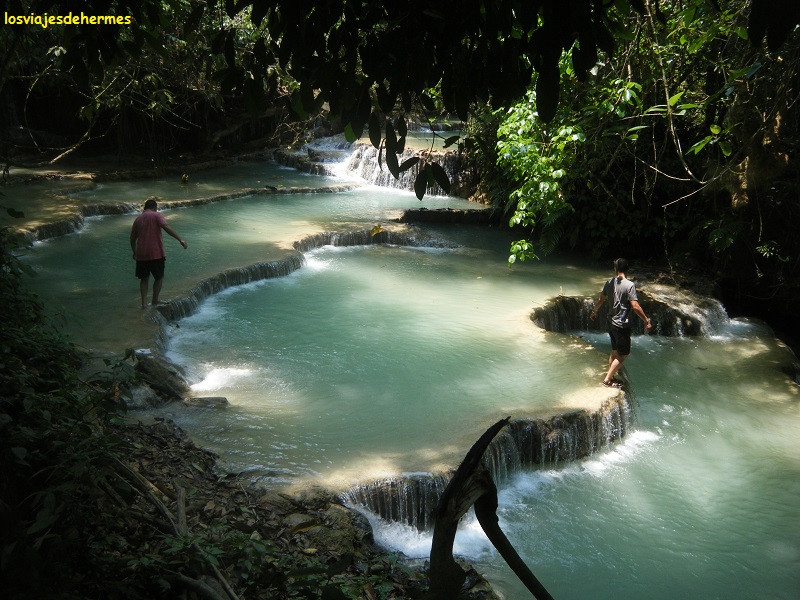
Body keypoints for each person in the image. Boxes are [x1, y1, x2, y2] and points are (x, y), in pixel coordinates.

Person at [589, 258, 652, 387]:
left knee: (615, 351)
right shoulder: (629, 285)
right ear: (627, 269)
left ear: (615, 269)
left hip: (610, 322)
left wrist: (594, 311)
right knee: (623, 354)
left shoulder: (609, 282)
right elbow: (635, 306)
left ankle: (611, 377)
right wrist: (646, 320)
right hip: (621, 324)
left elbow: (601, 299)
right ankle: (607, 380)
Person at [130, 198, 187, 308]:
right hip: (156, 253)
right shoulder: (157, 215)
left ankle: (144, 304)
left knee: (144, 278)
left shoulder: (137, 219)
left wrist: (134, 252)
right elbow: (166, 227)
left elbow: (132, 239)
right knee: (159, 277)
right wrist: (180, 239)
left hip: (141, 254)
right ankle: (155, 300)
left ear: (144, 208)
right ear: (155, 208)